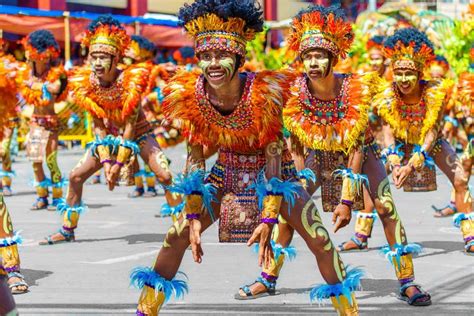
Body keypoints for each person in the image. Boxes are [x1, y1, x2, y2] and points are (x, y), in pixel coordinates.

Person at [130, 1, 362, 315]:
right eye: (206, 56)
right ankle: (145, 310)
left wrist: (268, 220)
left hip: (276, 178)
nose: (213, 63)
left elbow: (273, 161)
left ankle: (349, 311)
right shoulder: (190, 95)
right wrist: (195, 215)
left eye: (222, 55)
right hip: (223, 173)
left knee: (320, 240)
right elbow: (196, 158)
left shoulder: (263, 92)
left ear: (239, 58)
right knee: (177, 235)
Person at [240, 5, 431, 307]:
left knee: (385, 208)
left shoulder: (353, 87)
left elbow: (355, 147)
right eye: (307, 56)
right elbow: (296, 143)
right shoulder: (294, 90)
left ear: (333, 57)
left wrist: (345, 202)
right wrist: (301, 184)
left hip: (361, 152)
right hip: (319, 154)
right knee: (291, 214)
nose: (313, 62)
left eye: (320, 55)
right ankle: (267, 278)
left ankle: (407, 282)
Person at [38, 15, 180, 245]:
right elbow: (97, 126)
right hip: (108, 137)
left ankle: (181, 227)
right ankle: (67, 229)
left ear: (116, 58)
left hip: (139, 134)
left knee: (165, 175)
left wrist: (117, 165)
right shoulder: (87, 83)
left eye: (103, 56)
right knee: (75, 177)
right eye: (93, 56)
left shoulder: (131, 80)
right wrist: (106, 163)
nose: (96, 62)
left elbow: (130, 127)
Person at [358, 28, 472, 255]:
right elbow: (388, 128)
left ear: (419, 72)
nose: (402, 79)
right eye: (398, 72)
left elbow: (432, 130)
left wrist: (413, 163)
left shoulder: (435, 92)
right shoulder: (387, 95)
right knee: (372, 185)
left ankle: (470, 235)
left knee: (460, 179)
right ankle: (360, 235)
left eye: (408, 73)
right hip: (398, 144)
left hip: (432, 143)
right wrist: (393, 157)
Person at [20, 30, 68, 211]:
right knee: (35, 160)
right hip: (35, 121)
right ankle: (42, 196)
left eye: (48, 55)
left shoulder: (55, 73)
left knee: (51, 160)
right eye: (42, 55)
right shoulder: (28, 73)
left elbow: (55, 88)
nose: (45, 59)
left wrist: (35, 85)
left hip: (50, 121)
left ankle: (57, 196)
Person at [0, 34, 24, 196]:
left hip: (8, 116)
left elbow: (20, 86)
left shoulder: (10, 66)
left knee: (4, 150)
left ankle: (6, 183)